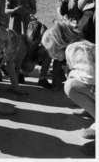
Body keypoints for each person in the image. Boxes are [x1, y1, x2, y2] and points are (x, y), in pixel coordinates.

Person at [41, 21, 95, 155]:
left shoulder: (73, 49)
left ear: (58, 44)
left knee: (71, 86)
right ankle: (93, 112)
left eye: (50, 50)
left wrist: (71, 75)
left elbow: (90, 76)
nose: (51, 55)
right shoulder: (83, 44)